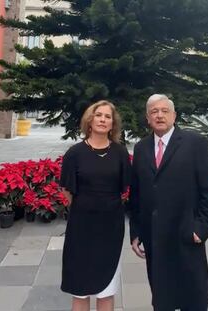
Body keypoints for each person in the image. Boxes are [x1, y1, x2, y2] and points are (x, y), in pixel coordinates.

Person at [129, 94, 208, 311]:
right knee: (163, 300)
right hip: (155, 239)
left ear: (174, 115)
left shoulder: (195, 144)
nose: (159, 115)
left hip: (186, 235)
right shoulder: (142, 148)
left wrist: (200, 229)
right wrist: (136, 232)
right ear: (147, 118)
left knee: (193, 299)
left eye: (164, 110)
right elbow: (137, 195)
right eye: (154, 111)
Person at [60, 100, 131, 311]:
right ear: (89, 120)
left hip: (110, 227)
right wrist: (87, 206)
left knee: (106, 291)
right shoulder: (74, 153)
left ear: (112, 124)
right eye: (98, 115)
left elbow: (125, 188)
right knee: (80, 291)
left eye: (108, 117)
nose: (103, 119)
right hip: (81, 227)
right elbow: (66, 191)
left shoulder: (120, 153)